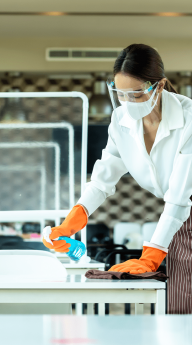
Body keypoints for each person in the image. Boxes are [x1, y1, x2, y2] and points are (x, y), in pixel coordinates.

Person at [43, 44, 192, 314]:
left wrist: (150, 257)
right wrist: (69, 224)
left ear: (159, 86)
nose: (128, 102)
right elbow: (102, 180)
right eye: (120, 94)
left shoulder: (189, 119)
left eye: (135, 94)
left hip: (182, 208)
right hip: (180, 218)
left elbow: (180, 196)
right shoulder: (121, 120)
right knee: (181, 306)